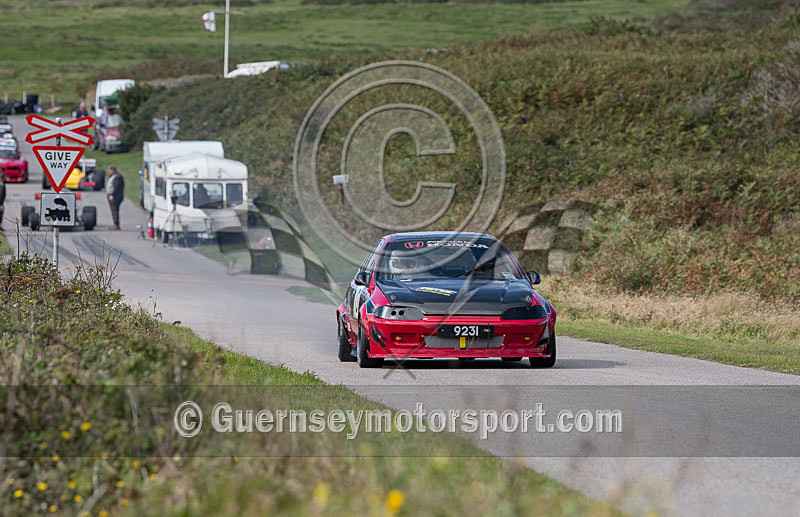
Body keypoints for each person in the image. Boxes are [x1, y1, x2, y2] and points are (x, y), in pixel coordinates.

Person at [106, 165, 124, 230]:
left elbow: (116, 187)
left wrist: (112, 194)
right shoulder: (115, 176)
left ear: (113, 170)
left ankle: (116, 224)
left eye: (110, 170)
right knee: (114, 210)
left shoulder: (117, 177)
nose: (109, 172)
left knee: (114, 210)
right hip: (115, 196)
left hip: (115, 196)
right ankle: (115, 223)